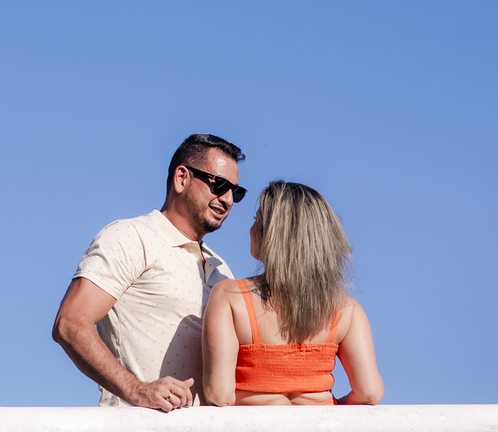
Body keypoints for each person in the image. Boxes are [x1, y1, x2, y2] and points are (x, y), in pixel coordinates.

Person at [52, 134, 245, 411]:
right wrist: (137, 390)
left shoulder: (221, 267)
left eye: (236, 192)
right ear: (182, 178)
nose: (227, 199)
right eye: (220, 185)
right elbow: (70, 323)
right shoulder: (131, 237)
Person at [201, 181, 384, 406]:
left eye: (256, 219)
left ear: (274, 234)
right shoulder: (346, 308)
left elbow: (219, 395)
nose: (251, 229)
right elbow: (369, 392)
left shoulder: (229, 296)